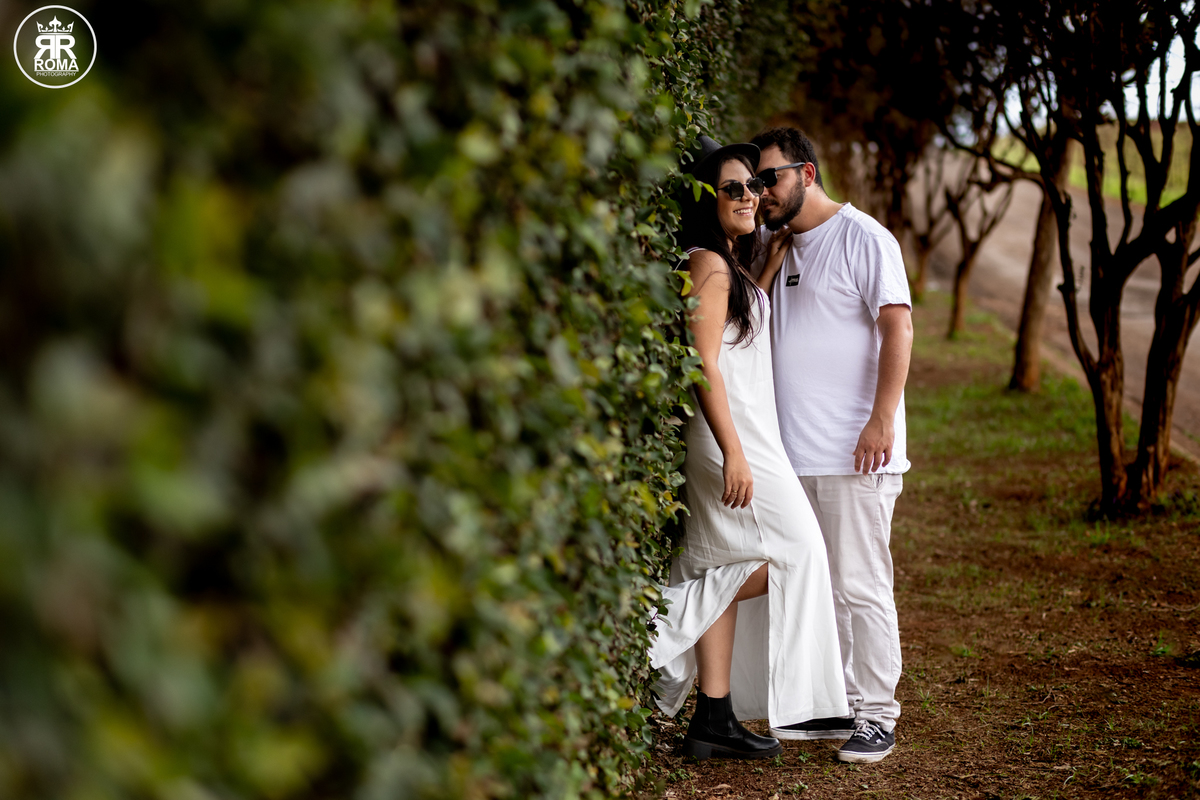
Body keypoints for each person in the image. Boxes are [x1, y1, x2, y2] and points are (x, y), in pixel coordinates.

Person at [648, 135, 848, 760]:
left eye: (753, 186)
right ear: (707, 199)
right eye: (731, 188)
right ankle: (651, 619)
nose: (748, 196)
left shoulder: (723, 264)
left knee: (721, 565)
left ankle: (713, 718)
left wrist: (764, 263)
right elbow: (702, 363)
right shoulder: (707, 264)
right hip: (732, 440)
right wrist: (734, 452)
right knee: (799, 555)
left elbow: (738, 326)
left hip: (743, 435)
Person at [748, 126, 913, 764]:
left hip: (856, 451)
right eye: (755, 183)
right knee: (819, 585)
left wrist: (881, 420)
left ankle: (878, 713)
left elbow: (897, 328)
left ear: (807, 174)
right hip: (793, 455)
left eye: (771, 179)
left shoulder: (865, 238)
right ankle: (840, 701)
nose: (761, 192)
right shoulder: (778, 244)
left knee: (862, 584)